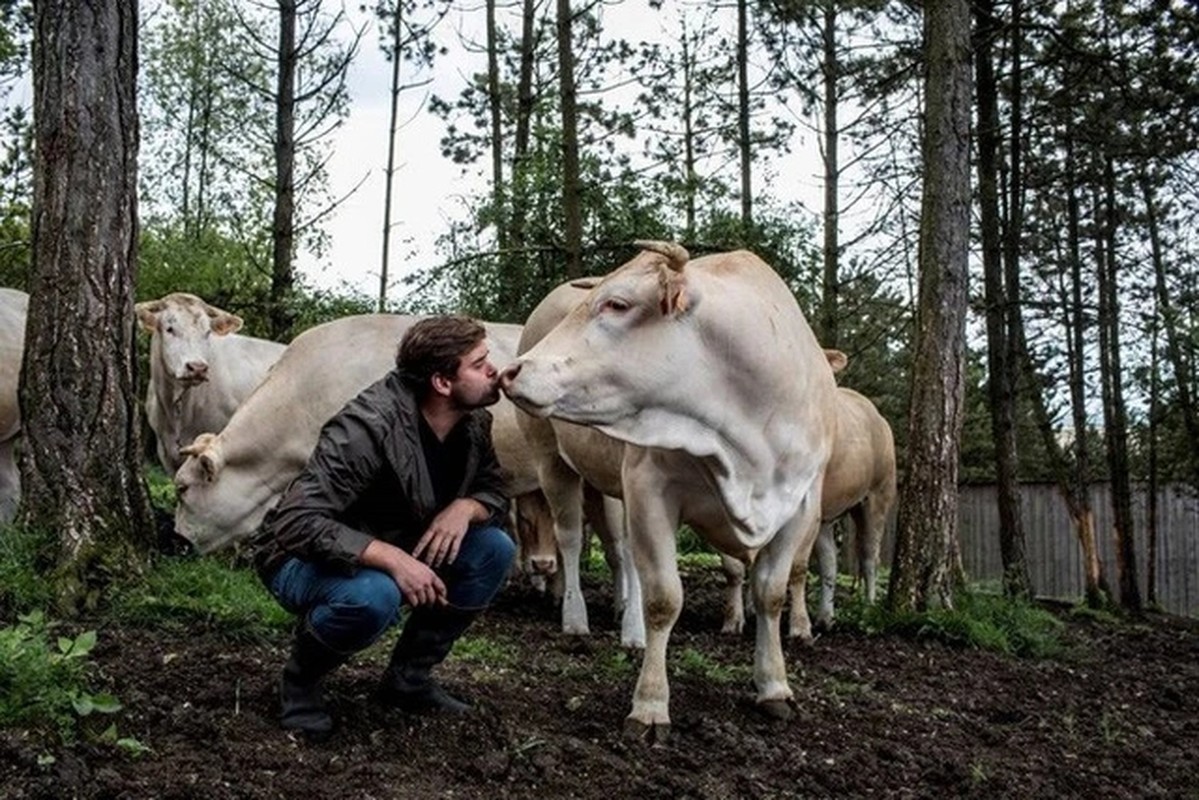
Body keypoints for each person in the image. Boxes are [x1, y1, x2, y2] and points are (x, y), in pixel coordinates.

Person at [250, 315, 516, 742]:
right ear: (442, 383)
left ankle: (409, 679)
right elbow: (297, 522)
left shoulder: (472, 422)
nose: (493, 370)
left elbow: (494, 487)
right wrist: (391, 559)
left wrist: (466, 507)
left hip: (394, 546)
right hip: (298, 559)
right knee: (375, 595)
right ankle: (299, 685)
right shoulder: (366, 426)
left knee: (493, 549)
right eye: (479, 363)